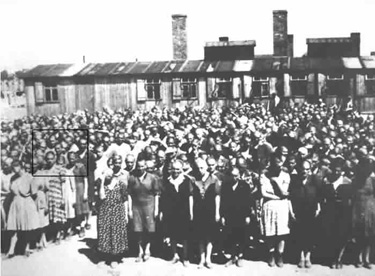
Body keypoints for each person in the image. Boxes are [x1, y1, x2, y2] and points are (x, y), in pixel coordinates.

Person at [160, 159, 194, 267]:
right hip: (171, 212)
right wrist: (162, 212)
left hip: (183, 211)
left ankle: (185, 257)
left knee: (185, 235)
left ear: (181, 169)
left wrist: (191, 211)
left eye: (178, 169)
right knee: (172, 234)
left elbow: (190, 197)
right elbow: (164, 198)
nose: (176, 171)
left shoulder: (187, 180)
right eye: (174, 169)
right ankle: (175, 255)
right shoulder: (167, 181)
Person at [97, 155, 129, 269]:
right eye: (107, 175)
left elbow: (125, 199)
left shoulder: (121, 184)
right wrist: (101, 182)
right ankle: (106, 257)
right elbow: (101, 197)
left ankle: (115, 258)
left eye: (110, 175)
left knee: (116, 234)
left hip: (117, 211)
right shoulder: (103, 185)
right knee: (105, 234)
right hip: (105, 211)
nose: (109, 176)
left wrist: (126, 214)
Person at [321, 158, 353, 269]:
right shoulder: (326, 180)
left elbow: (350, 199)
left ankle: (339, 258)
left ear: (342, 171)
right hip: (330, 210)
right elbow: (323, 196)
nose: (336, 172)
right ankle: (332, 258)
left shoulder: (347, 182)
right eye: (334, 170)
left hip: (343, 211)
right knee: (331, 234)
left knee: (342, 235)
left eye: (338, 170)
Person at [260, 154, 291, 267]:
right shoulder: (264, 176)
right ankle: (271, 254)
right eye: (275, 163)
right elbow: (263, 193)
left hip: (282, 207)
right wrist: (277, 198)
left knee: (281, 233)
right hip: (269, 205)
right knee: (270, 232)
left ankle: (280, 255)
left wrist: (276, 181)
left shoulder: (286, 176)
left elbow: (284, 192)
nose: (278, 166)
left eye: (280, 163)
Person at [289, 160, 322, 268]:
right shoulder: (294, 180)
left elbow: (319, 195)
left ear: (310, 170)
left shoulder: (315, 180)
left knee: (310, 234)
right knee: (299, 234)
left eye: (307, 169)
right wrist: (291, 211)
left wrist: (318, 208)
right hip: (298, 210)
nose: (305, 171)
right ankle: (301, 257)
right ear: (299, 169)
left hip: (311, 210)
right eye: (303, 169)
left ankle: (308, 257)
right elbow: (290, 196)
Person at [128, 158, 160, 262]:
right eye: (138, 166)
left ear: (145, 167)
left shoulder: (152, 178)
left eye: (142, 166)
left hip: (149, 206)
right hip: (136, 207)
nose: (140, 168)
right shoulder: (132, 178)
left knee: (149, 229)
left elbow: (156, 194)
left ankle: (147, 250)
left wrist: (156, 209)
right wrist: (129, 210)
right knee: (138, 230)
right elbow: (129, 194)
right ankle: (140, 251)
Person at [5, 161, 39, 258]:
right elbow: (11, 191)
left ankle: (27, 248)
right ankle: (11, 250)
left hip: (26, 203)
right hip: (15, 204)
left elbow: (34, 193)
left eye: (17, 166)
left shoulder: (29, 177)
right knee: (13, 228)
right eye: (13, 166)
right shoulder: (13, 178)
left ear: (21, 166)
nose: (15, 168)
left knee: (27, 227)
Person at [220, 167, 252, 267]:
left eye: (237, 175)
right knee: (231, 236)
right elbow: (223, 202)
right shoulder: (225, 186)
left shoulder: (245, 186)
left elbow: (248, 202)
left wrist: (247, 216)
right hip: (230, 215)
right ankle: (233, 257)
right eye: (233, 176)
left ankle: (240, 256)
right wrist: (223, 216)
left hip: (242, 216)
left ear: (239, 175)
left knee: (242, 236)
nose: (235, 178)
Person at [193, 158, 221, 269]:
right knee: (200, 236)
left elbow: (217, 196)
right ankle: (202, 259)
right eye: (198, 168)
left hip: (210, 210)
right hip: (199, 210)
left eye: (202, 167)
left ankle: (208, 259)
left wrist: (217, 212)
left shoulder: (214, 179)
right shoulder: (195, 179)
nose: (200, 170)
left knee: (209, 236)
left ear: (206, 167)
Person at [352, 156, 375, 269]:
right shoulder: (356, 180)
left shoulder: (373, 180)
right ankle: (358, 258)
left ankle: (367, 259)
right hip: (359, 208)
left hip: (370, 209)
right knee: (360, 234)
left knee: (369, 235)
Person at [66, 151, 89, 238]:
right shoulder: (68, 167)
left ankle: (82, 227)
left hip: (80, 188)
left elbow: (85, 180)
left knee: (81, 210)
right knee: (74, 209)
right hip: (71, 189)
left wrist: (85, 193)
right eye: (69, 158)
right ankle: (73, 227)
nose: (71, 160)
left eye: (73, 158)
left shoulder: (80, 166)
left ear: (76, 158)